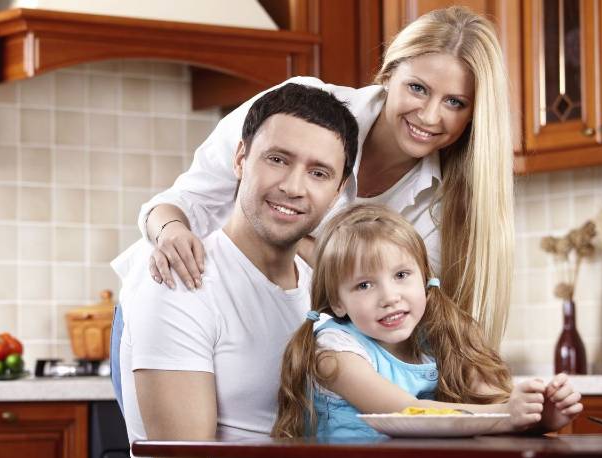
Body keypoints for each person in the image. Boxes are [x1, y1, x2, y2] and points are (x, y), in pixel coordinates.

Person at [112, 6, 514, 351]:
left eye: (455, 102)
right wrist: (169, 231)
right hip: (179, 308)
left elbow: (397, 313)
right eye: (417, 88)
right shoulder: (297, 109)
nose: (429, 116)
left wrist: (316, 251)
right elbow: (182, 201)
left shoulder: (448, 204)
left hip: (281, 341)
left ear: (475, 113)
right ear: (389, 73)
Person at [119, 83, 359, 458]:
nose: (293, 187)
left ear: (338, 191)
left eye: (318, 172)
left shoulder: (327, 290)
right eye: (278, 159)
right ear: (241, 159)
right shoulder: (181, 280)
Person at [272, 204, 583, 438]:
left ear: (424, 278)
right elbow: (406, 413)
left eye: (401, 275)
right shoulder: (334, 352)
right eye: (364, 285)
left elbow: (496, 406)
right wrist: (506, 414)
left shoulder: (434, 340)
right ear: (337, 302)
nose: (389, 296)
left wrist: (540, 416)